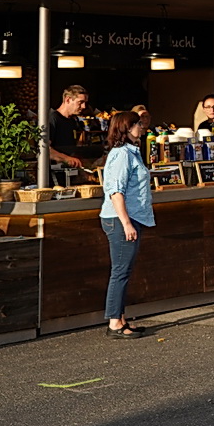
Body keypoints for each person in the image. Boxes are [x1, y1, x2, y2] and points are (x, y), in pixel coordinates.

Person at [99, 110, 152, 339]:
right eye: (137, 124)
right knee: (120, 271)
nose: (141, 127)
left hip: (129, 217)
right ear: (127, 128)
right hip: (121, 219)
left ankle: (120, 318)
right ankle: (114, 323)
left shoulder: (132, 152)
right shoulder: (122, 154)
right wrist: (126, 223)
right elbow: (115, 191)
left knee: (124, 270)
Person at [48, 84, 90, 176]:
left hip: (70, 173)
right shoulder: (52, 119)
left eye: (85, 103)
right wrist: (66, 158)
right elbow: (45, 150)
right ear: (67, 100)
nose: (83, 106)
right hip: (54, 174)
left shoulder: (73, 121)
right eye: (80, 102)